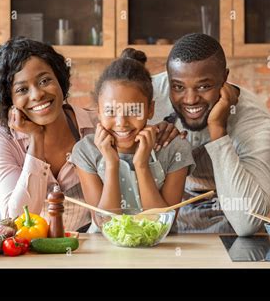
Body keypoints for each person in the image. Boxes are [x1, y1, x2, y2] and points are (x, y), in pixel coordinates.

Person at [0, 38, 181, 230]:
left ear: (59, 79)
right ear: (8, 99)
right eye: (22, 89)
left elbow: (137, 107)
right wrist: (36, 140)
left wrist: (165, 125)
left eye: (44, 81)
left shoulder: (98, 127)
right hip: (22, 252)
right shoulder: (1, 139)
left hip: (83, 249)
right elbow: (15, 221)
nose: (38, 94)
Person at [150, 33, 270, 236]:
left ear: (224, 78)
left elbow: (247, 223)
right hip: (160, 224)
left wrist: (218, 130)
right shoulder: (150, 95)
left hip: (228, 228)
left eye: (204, 86)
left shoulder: (254, 122)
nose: (190, 99)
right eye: (178, 87)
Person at [69, 56, 195, 228]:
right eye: (111, 111)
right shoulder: (85, 151)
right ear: (98, 111)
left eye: (134, 110)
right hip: (103, 250)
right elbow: (105, 224)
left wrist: (142, 165)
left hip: (160, 251)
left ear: (150, 110)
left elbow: (161, 224)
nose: (121, 122)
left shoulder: (174, 148)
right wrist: (112, 164)